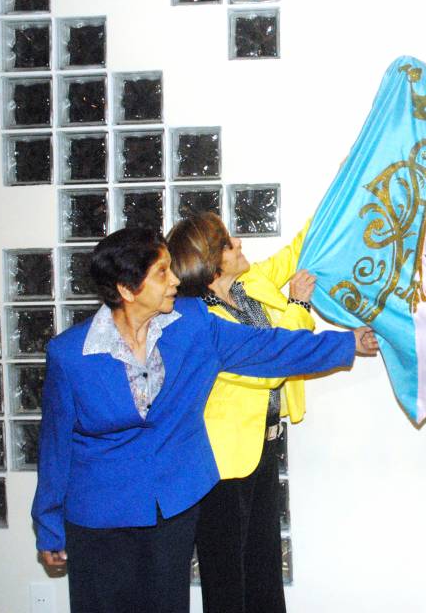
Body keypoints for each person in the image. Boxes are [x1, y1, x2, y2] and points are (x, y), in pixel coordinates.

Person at [31, 227, 378, 613]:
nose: (175, 280)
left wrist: (347, 343)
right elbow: (55, 446)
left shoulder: (193, 324)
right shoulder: (70, 355)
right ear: (127, 290)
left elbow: (268, 348)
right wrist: (48, 525)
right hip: (99, 517)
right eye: (162, 272)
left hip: (172, 508)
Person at [165, 212, 312, 613]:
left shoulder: (249, 284)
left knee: (264, 566)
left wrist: (346, 188)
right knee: (227, 577)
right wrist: (299, 306)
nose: (240, 244)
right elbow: (270, 365)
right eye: (229, 244)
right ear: (212, 262)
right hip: (222, 463)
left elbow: (297, 249)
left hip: (263, 448)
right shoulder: (203, 321)